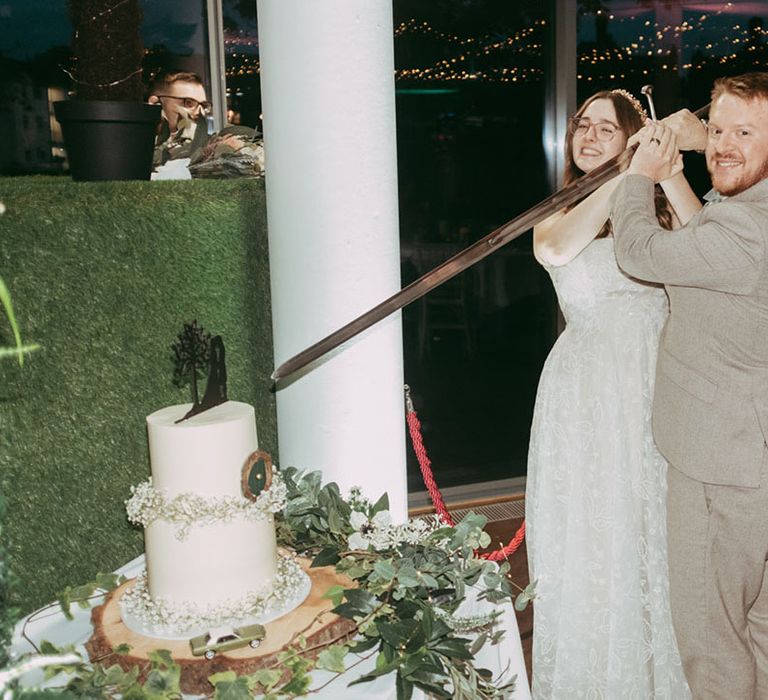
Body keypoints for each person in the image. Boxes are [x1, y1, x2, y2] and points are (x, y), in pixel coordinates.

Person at [526, 89, 699, 698]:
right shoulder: (558, 208)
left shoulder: (658, 211)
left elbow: (710, 247)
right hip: (588, 392)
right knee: (597, 528)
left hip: (661, 381)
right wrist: (624, 172)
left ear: (633, 135)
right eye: (582, 125)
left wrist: (663, 170)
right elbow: (555, 249)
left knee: (658, 526)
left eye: (608, 127)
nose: (590, 135)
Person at [611, 72, 768, 699]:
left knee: (710, 641)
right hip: (748, 459)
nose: (724, 144)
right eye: (720, 127)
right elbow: (711, 243)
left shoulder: (748, 230)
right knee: (754, 627)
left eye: (745, 132)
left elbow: (640, 253)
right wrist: (683, 164)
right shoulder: (748, 215)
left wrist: (637, 177)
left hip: (718, 465)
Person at [148, 71, 211, 165]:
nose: (200, 112)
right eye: (188, 102)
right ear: (156, 103)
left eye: (204, 105)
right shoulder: (134, 147)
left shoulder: (210, 149)